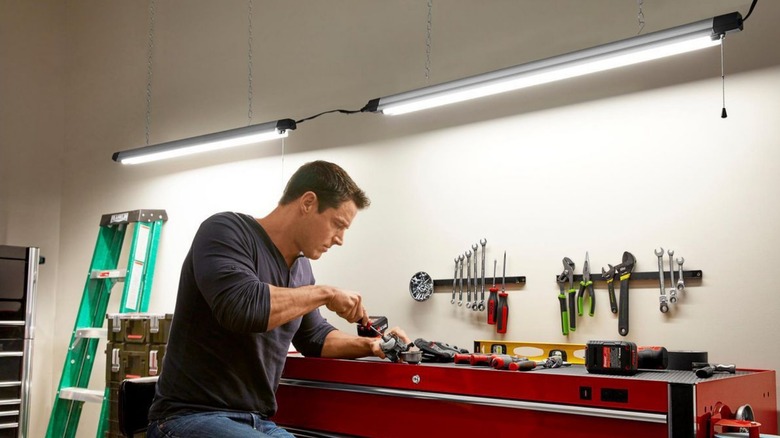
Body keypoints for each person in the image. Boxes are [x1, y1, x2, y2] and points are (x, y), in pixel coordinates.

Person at [147, 160, 409, 437]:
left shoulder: (301, 269)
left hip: (257, 421)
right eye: (338, 224)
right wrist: (325, 293)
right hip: (188, 417)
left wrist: (374, 345)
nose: (340, 239)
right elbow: (243, 306)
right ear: (308, 202)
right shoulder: (225, 231)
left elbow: (315, 337)